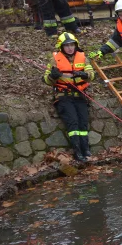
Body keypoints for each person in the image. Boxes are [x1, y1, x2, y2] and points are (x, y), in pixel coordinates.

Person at [43, 32, 95, 162]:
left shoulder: (82, 57)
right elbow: (46, 79)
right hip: (64, 96)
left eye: (72, 45)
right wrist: (53, 76)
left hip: (80, 95)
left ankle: (86, 149)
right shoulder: (55, 59)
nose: (70, 48)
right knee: (73, 122)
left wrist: (84, 75)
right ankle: (77, 151)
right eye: (67, 46)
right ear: (61, 47)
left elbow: (91, 74)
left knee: (83, 122)